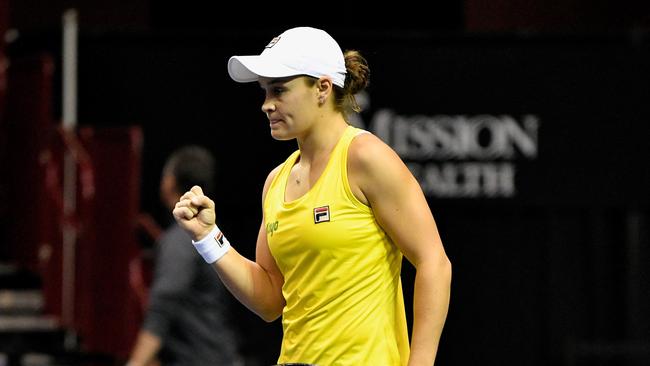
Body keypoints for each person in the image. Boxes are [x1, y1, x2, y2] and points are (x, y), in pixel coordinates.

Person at [173, 27, 452, 366]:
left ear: (322, 88)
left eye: (279, 90)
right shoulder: (275, 181)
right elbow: (270, 301)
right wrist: (207, 238)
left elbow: (434, 263)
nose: (266, 105)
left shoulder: (365, 157)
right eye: (264, 92)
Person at [127, 146, 241, 366]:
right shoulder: (212, 236)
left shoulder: (181, 240)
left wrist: (135, 363)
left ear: (169, 182)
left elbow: (164, 303)